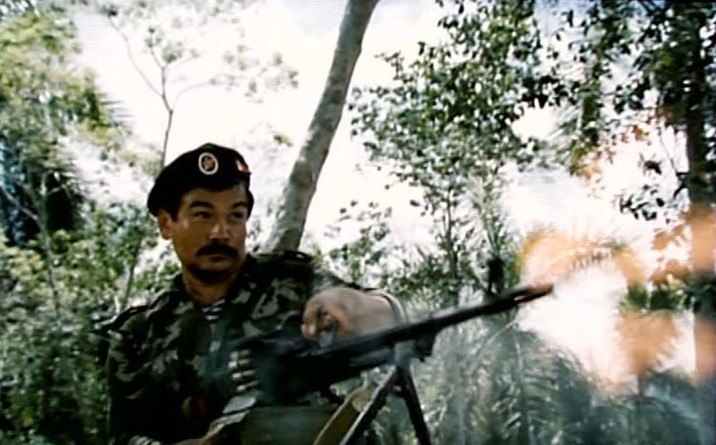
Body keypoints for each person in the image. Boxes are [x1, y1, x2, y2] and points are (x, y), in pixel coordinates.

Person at [105, 143, 402, 445]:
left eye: (235, 216)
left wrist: (359, 307)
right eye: (203, 215)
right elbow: (126, 436)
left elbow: (389, 321)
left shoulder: (295, 282)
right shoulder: (138, 336)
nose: (221, 232)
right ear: (166, 223)